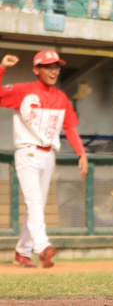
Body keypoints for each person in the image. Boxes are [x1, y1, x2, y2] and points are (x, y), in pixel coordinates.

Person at [0, 51, 89, 268]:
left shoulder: (61, 97)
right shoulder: (22, 90)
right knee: (35, 201)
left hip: (49, 154)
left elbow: (70, 128)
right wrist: (2, 68)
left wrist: (82, 153)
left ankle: (22, 251)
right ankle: (42, 247)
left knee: (35, 205)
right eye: (48, 66)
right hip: (27, 151)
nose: (54, 71)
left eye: (56, 66)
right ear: (36, 69)